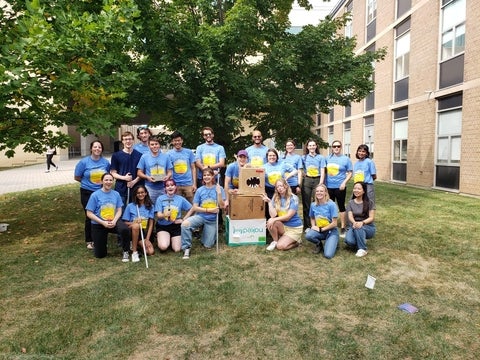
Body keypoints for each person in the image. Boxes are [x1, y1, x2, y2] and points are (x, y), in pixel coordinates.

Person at [181, 167, 226, 259]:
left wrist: (219, 194)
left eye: (208, 175)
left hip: (212, 220)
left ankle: (206, 236)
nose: (206, 177)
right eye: (204, 175)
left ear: (213, 176)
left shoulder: (219, 188)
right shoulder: (200, 190)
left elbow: (221, 206)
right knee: (185, 224)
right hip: (200, 216)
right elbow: (195, 207)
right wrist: (208, 210)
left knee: (207, 245)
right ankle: (186, 248)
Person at [85, 173, 131, 261]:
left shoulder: (116, 194)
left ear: (113, 181)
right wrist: (103, 222)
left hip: (113, 221)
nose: (108, 182)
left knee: (125, 229)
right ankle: (101, 244)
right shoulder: (95, 195)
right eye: (106, 180)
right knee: (100, 255)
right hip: (99, 223)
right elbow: (89, 213)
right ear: (102, 181)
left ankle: (126, 251)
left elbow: (119, 210)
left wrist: (114, 221)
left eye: (110, 180)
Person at [74, 140, 110, 249]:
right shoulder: (84, 162)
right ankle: (89, 240)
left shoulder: (105, 163)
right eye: (95, 147)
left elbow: (108, 176)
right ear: (91, 149)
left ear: (102, 149)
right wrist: (88, 184)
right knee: (90, 215)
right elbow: (77, 177)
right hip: (87, 192)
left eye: (99, 147)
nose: (97, 149)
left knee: (101, 214)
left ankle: (100, 238)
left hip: (101, 192)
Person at [261, 178, 303, 251]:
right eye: (277, 187)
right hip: (284, 226)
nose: (279, 188)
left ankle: (297, 242)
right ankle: (275, 241)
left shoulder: (294, 198)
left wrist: (273, 219)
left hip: (294, 228)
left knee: (280, 247)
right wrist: (269, 202)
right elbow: (273, 215)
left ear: (286, 186)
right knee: (271, 220)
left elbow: (288, 217)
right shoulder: (276, 197)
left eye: (281, 186)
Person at [155, 179, 193, 253]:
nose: (170, 187)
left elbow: (192, 208)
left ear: (175, 187)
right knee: (163, 247)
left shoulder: (180, 199)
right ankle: (163, 238)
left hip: (175, 226)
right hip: (163, 226)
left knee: (177, 249)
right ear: (165, 188)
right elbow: (158, 215)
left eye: (172, 185)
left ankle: (171, 239)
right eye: (167, 186)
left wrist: (183, 219)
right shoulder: (160, 198)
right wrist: (164, 214)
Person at [325, 140, 352, 238]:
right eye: (334, 146)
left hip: (340, 187)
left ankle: (343, 227)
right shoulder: (327, 158)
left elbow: (350, 172)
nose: (336, 148)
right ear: (332, 147)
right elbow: (324, 171)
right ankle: (331, 224)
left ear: (341, 147)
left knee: (341, 206)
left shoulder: (346, 159)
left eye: (338, 146)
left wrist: (344, 183)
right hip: (328, 186)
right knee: (329, 206)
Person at [304, 184, 339, 259]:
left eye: (321, 191)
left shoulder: (331, 204)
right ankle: (319, 244)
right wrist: (313, 226)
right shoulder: (313, 205)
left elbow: (334, 223)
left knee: (328, 255)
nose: (319, 193)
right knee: (308, 235)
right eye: (317, 191)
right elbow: (312, 217)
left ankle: (334, 241)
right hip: (320, 230)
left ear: (326, 193)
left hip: (331, 231)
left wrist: (321, 229)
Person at [122, 185, 155, 262]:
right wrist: (134, 222)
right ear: (135, 195)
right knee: (136, 226)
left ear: (146, 193)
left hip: (142, 232)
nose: (140, 194)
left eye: (142, 192)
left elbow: (150, 224)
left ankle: (136, 245)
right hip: (132, 230)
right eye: (138, 193)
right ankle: (134, 251)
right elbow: (125, 223)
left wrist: (147, 239)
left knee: (150, 252)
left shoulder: (150, 206)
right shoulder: (130, 206)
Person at [137, 135, 173, 205]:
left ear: (159, 145)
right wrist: (147, 177)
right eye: (152, 144)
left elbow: (169, 171)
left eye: (156, 144)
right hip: (150, 188)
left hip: (163, 187)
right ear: (149, 145)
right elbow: (139, 172)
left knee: (164, 208)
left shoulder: (166, 156)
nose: (154, 146)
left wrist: (167, 177)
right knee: (150, 208)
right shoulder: (144, 157)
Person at [110, 131, 143, 206]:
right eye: (125, 139)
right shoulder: (116, 155)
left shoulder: (139, 155)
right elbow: (113, 172)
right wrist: (124, 178)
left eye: (130, 139)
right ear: (122, 141)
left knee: (135, 212)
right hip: (121, 189)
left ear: (133, 140)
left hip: (136, 188)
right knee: (121, 211)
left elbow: (141, 172)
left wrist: (133, 182)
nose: (128, 141)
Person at [344, 181, 376, 257]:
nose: (356, 190)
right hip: (354, 225)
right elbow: (350, 216)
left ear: (364, 191)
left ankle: (362, 249)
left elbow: (371, 217)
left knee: (359, 227)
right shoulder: (350, 203)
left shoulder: (370, 202)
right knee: (349, 241)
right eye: (355, 188)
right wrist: (354, 222)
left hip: (368, 227)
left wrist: (362, 223)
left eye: (359, 189)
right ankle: (361, 238)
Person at [301, 139, 326, 230]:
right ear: (307, 147)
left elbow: (323, 170)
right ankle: (307, 225)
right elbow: (301, 169)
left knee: (317, 202)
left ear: (316, 146)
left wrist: (321, 183)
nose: (311, 147)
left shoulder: (321, 157)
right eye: (310, 145)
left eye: (313, 145)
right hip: (307, 180)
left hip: (317, 180)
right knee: (306, 203)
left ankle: (318, 223)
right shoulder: (304, 157)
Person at [167, 130, 197, 203]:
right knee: (176, 206)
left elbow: (193, 168)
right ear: (172, 142)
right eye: (175, 141)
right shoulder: (168, 154)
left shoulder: (189, 152)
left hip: (188, 184)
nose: (177, 142)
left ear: (182, 140)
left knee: (192, 206)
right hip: (175, 184)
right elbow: (168, 170)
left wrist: (194, 184)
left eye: (179, 140)